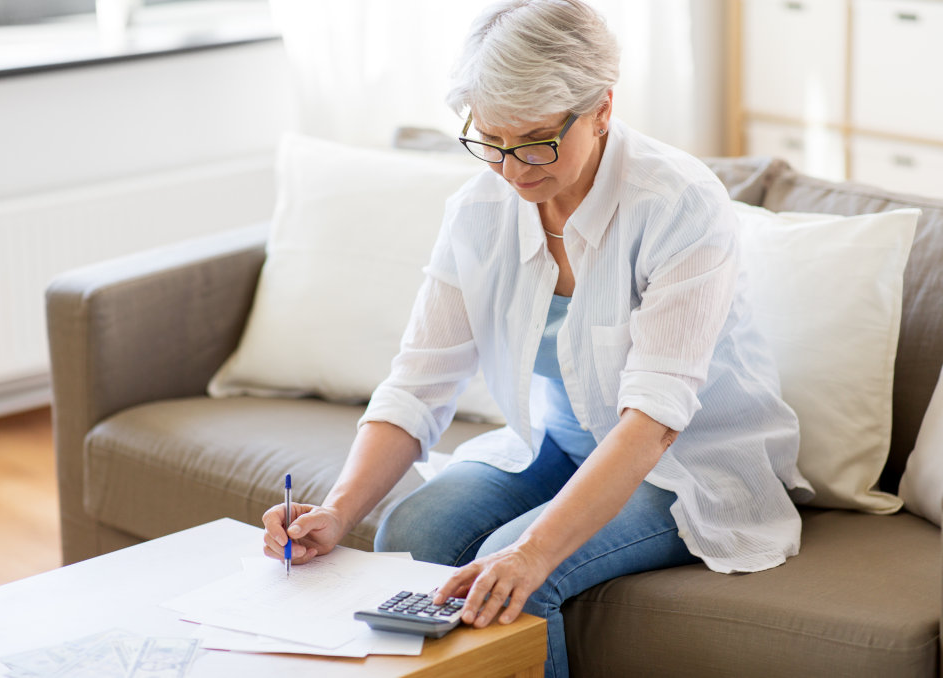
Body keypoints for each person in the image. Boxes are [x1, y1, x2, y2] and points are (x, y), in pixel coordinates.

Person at [263, 1, 814, 676]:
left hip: (684, 465)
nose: (515, 170)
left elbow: (654, 421)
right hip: (559, 443)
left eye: (535, 141)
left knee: (509, 578)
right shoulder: (479, 210)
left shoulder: (677, 205)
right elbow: (419, 381)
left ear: (602, 108)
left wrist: (531, 553)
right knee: (412, 531)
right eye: (491, 141)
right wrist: (338, 510)